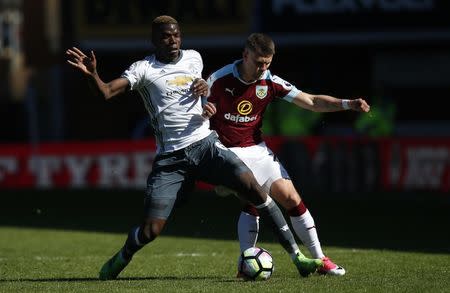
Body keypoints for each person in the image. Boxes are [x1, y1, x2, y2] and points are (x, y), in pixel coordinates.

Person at [66, 16, 323, 280]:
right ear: (154, 40)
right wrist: (93, 75)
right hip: (171, 159)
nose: (173, 40)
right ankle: (123, 255)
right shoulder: (143, 69)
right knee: (151, 230)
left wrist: (204, 95)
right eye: (166, 36)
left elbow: (201, 92)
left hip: (206, 146)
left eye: (176, 35)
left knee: (255, 190)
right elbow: (107, 92)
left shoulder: (194, 58)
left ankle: (298, 257)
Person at [204, 33, 371, 276]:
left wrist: (347, 104)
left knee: (291, 198)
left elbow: (312, 101)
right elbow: (193, 112)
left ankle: (321, 259)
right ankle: (245, 264)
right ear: (245, 55)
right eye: (258, 63)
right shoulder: (218, 80)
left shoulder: (270, 82)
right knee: (254, 199)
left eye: (267, 63)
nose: (263, 68)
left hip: (257, 148)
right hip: (226, 151)